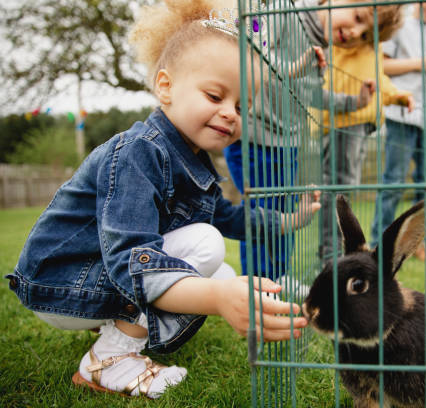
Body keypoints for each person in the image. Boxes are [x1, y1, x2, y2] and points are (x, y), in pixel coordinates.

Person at [5, 0, 321, 399]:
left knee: (219, 270)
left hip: (88, 276)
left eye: (242, 107)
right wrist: (217, 300)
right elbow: (129, 256)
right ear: (165, 87)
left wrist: (292, 221)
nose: (230, 114)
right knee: (205, 249)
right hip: (63, 284)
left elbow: (232, 218)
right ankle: (108, 360)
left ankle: (115, 326)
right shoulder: (141, 151)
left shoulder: (191, 161)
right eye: (214, 95)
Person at [223, 0, 403, 282]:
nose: (356, 32)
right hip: (256, 137)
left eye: (365, 34)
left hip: (287, 145)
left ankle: (279, 278)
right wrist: (296, 66)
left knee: (286, 216)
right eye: (358, 17)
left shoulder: (323, 48)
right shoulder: (285, 17)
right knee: (260, 217)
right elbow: (254, 58)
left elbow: (311, 95)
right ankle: (256, 286)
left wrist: (355, 101)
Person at [370, 2, 426, 263]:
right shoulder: (398, 27)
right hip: (403, 113)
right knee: (393, 182)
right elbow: (381, 66)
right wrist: (421, 63)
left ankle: (421, 245)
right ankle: (378, 243)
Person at [319, 42, 415, 261]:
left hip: (361, 123)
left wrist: (398, 95)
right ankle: (331, 254)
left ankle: (336, 253)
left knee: (345, 188)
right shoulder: (346, 42)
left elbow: (379, 79)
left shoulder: (373, 47)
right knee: (339, 188)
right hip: (343, 120)